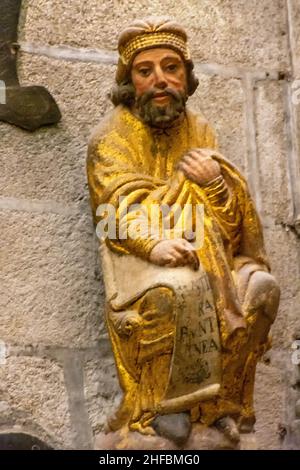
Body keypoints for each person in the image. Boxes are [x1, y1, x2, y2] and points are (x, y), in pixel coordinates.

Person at [87, 17, 280, 446]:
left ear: (186, 76)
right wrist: (155, 244)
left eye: (171, 67)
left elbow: (230, 225)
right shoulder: (110, 137)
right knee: (176, 289)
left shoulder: (201, 129)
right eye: (145, 70)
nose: (160, 79)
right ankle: (161, 407)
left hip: (207, 251)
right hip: (137, 260)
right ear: (129, 81)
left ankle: (220, 405)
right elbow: (114, 209)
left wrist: (213, 183)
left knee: (262, 288)